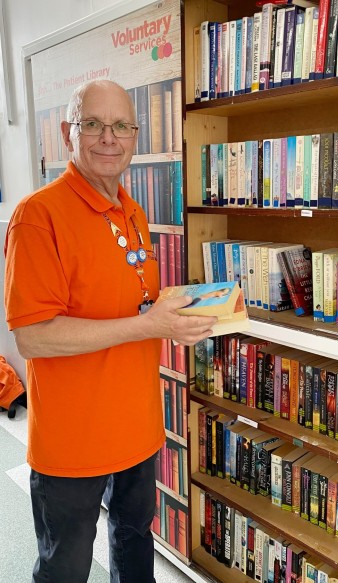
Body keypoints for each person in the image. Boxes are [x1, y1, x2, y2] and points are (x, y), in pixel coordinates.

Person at [4, 79, 217, 583]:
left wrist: (177, 318)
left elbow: (136, 307)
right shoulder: (38, 217)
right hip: (72, 441)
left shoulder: (132, 212)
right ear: (67, 133)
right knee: (66, 566)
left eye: (121, 125)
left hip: (138, 427)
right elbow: (34, 336)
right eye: (92, 124)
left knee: (134, 541)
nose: (108, 138)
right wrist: (146, 324)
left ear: (135, 135)